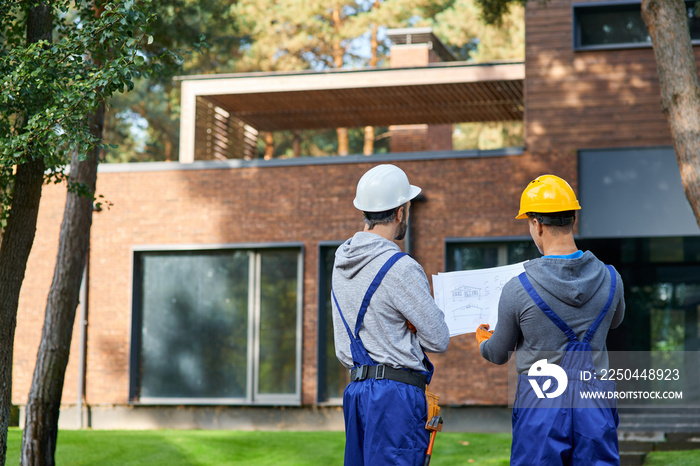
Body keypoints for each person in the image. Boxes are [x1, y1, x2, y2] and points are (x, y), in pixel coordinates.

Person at [476, 174, 625, 465]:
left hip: (541, 403)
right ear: (573, 220)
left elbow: (496, 354)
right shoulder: (612, 278)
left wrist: (483, 341)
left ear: (537, 224)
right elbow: (615, 322)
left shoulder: (518, 288)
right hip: (594, 402)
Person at [331, 164, 450, 466]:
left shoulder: (341, 263)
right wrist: (413, 327)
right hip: (395, 397)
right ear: (400, 212)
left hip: (357, 392)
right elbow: (438, 339)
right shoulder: (401, 267)